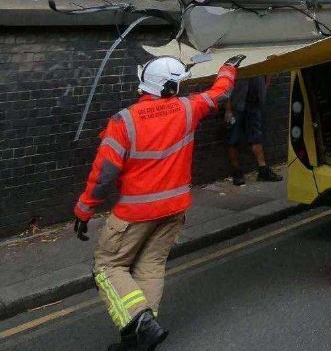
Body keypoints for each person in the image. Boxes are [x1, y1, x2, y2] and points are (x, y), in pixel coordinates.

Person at [73, 54, 244, 351]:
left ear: (145, 84)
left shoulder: (124, 121)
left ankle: (139, 322)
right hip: (175, 209)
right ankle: (137, 339)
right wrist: (229, 68)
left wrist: (84, 210)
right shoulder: (188, 109)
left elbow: (103, 176)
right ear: (172, 87)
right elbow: (221, 92)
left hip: (134, 213)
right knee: (150, 266)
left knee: (107, 267)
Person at [225, 76, 282, 185]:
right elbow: (226, 85)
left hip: (254, 103)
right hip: (236, 105)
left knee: (256, 137)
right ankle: (237, 172)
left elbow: (267, 75)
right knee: (234, 139)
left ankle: (263, 170)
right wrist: (228, 109)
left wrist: (263, 90)